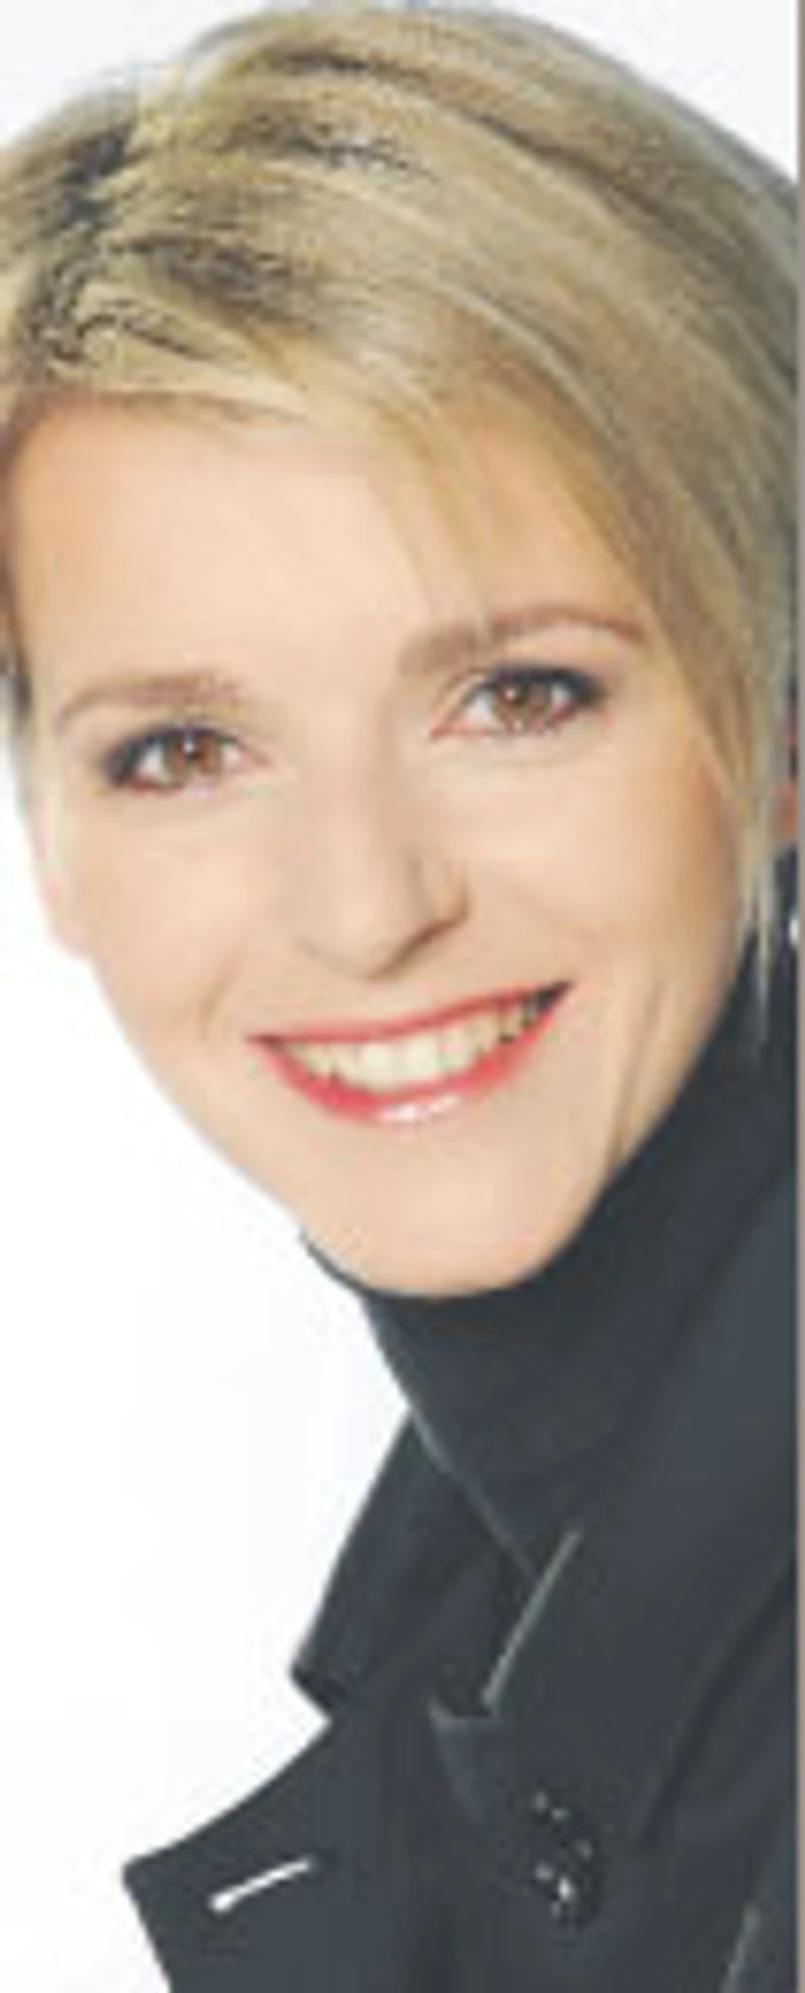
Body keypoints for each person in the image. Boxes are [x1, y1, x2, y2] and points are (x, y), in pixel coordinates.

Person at [0, 5, 796, 1989]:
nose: (366, 910)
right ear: (48, 842)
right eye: (183, 749)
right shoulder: (487, 1603)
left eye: (518, 696)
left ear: (779, 722)